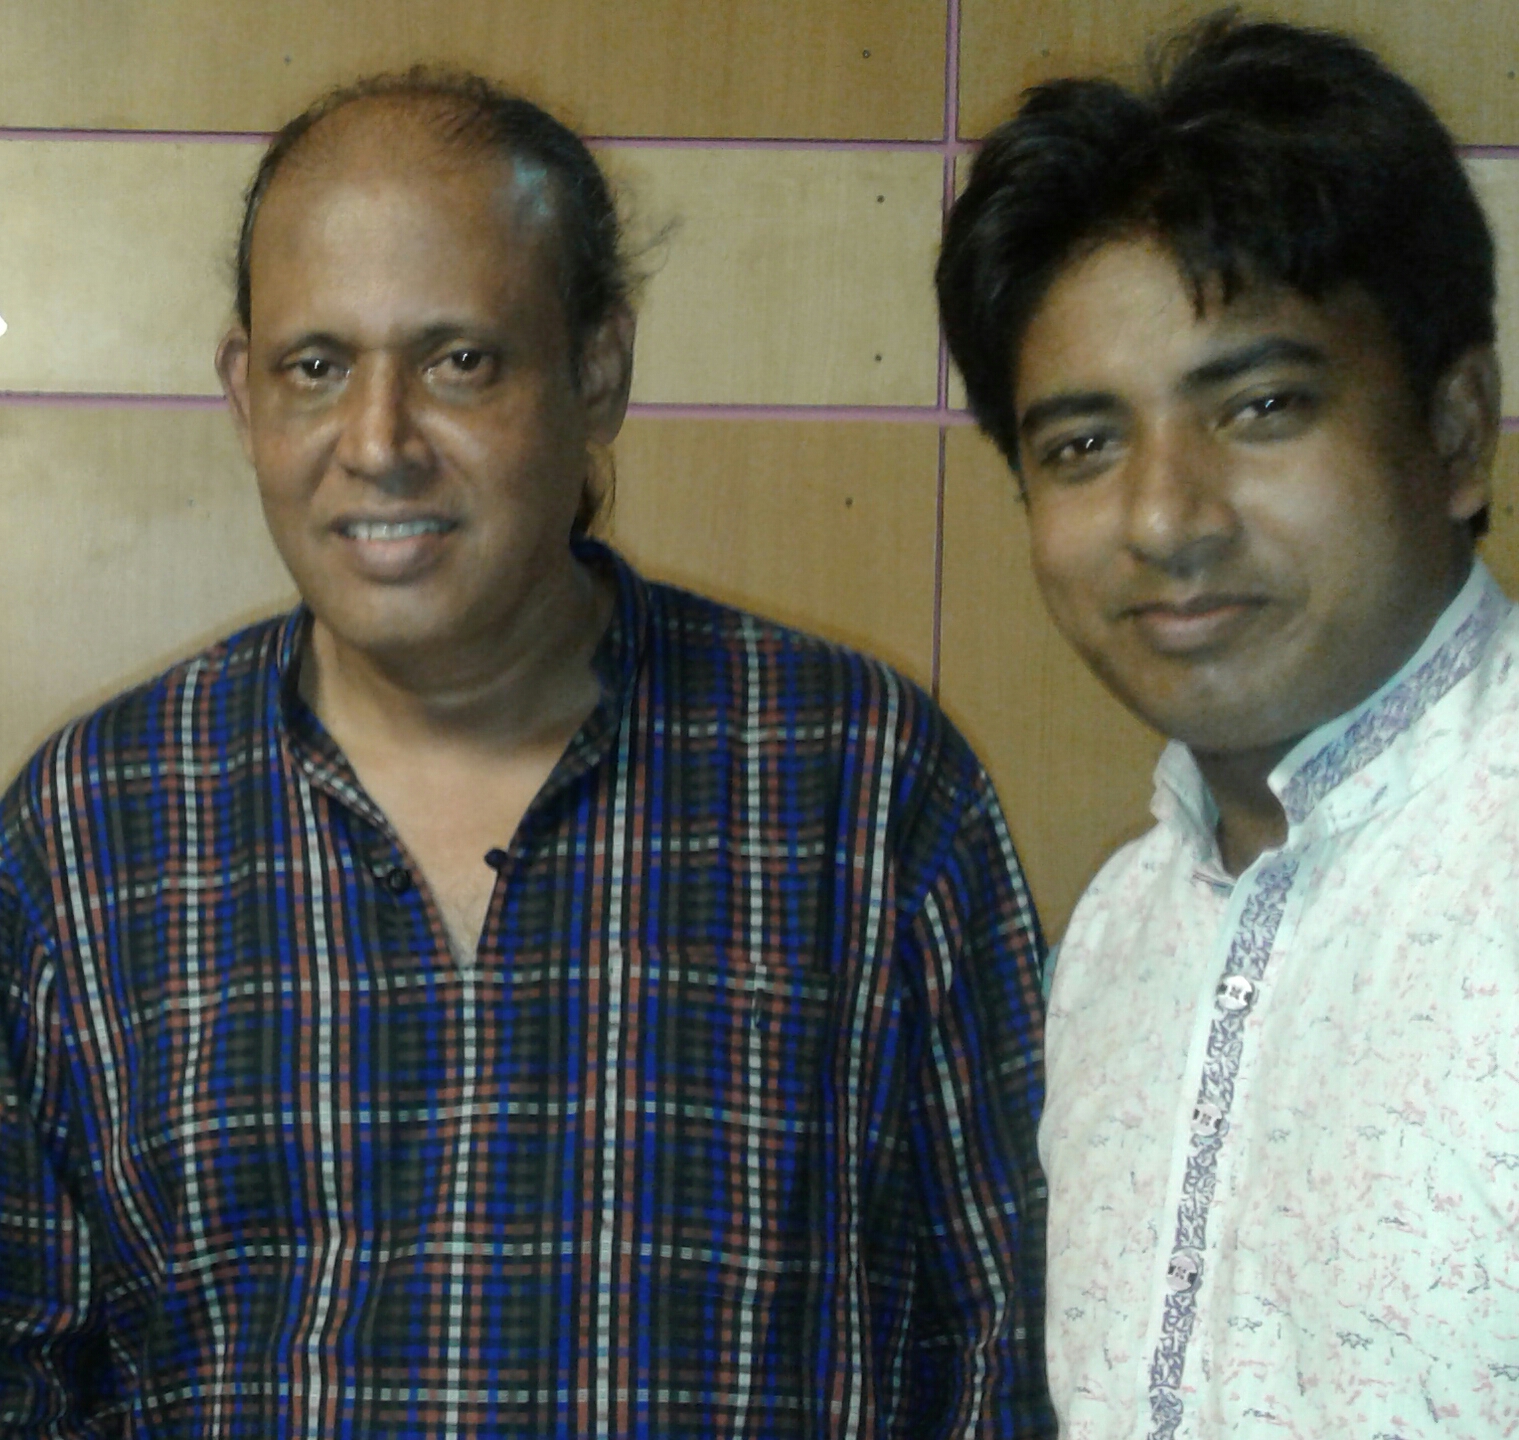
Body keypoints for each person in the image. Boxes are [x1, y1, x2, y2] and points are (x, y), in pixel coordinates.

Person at [0, 71, 1052, 1437]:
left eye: (460, 361)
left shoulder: (862, 782)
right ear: (244, 392)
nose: (378, 443)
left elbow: (1008, 1343)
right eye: (316, 367)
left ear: (597, 371)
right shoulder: (90, 832)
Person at [937, 13, 1516, 1438]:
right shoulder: (1116, 939)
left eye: (1259, 407)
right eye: (1083, 444)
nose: (1163, 519)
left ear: (1455, 428)